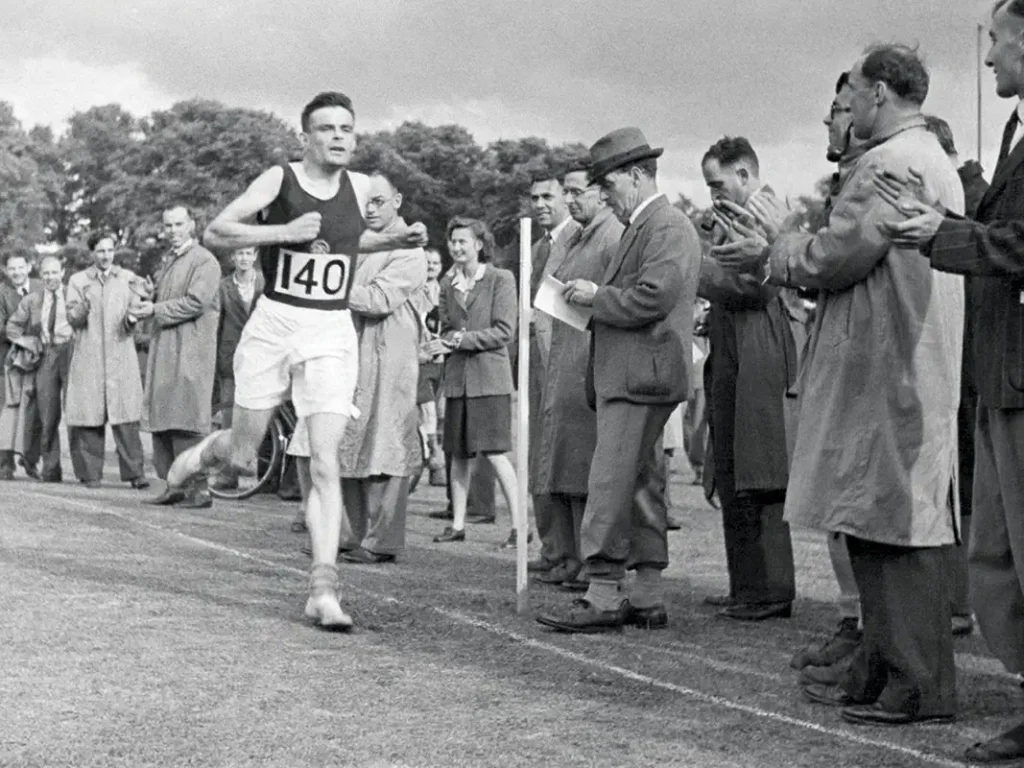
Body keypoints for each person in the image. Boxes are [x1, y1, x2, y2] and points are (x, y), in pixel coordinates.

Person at [712, 44, 963, 727]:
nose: (845, 107)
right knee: (875, 522)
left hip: (892, 367)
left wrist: (776, 247)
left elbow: (835, 255)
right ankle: (883, 668)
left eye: (851, 93)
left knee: (897, 527)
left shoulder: (890, 162)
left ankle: (916, 681)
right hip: (894, 363)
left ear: (879, 93)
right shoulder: (921, 158)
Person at [168, 92, 427, 632]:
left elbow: (348, 239)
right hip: (275, 322)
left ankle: (323, 587)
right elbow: (217, 231)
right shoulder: (278, 179)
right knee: (243, 457)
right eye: (327, 128)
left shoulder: (361, 188)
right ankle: (207, 452)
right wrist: (282, 232)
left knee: (325, 458)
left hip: (329, 328)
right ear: (306, 136)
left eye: (347, 129)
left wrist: (394, 237)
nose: (339, 137)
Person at [873, 2, 1024, 758]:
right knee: (997, 560)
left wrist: (943, 233)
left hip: (1018, 380)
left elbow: (1021, 244)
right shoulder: (1014, 131)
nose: (988, 57)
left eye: (996, 41)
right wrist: (946, 226)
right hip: (1000, 378)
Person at [537, 127, 700, 633]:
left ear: (635, 175)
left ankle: (604, 592)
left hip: (638, 376)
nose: (601, 195)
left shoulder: (665, 225)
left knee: (609, 483)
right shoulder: (648, 225)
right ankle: (647, 595)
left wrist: (594, 297)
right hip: (640, 373)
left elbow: (655, 295)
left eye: (606, 184)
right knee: (642, 484)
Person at [788, 71, 866, 682]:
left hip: (866, 368)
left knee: (855, 508)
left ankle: (868, 629)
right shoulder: (849, 178)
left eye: (839, 108)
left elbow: (832, 261)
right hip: (835, 356)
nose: (829, 122)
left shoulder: (878, 175)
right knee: (837, 510)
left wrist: (779, 243)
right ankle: (855, 621)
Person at [532, 161, 623, 590]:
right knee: (563, 461)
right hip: (563, 360)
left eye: (575, 191)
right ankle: (567, 555)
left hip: (589, 359)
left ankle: (593, 560)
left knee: (586, 463)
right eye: (564, 192)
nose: (569, 200)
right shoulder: (574, 237)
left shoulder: (613, 235)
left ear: (601, 192)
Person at [335, 173, 427, 563]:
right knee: (350, 441)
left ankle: (382, 540)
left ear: (397, 201)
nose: (370, 209)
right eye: (364, 203)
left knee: (386, 447)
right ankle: (350, 535)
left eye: (378, 201)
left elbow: (379, 299)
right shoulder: (359, 242)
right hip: (353, 354)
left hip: (390, 357)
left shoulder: (410, 248)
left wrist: (329, 288)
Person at [428, 217, 521, 547]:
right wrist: (446, 340)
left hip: (490, 381)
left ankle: (519, 528)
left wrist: (456, 341)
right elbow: (446, 327)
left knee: (495, 455)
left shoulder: (500, 279)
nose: (455, 247)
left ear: (479, 245)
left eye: (462, 241)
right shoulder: (446, 284)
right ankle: (457, 525)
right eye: (452, 241)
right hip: (458, 381)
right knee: (458, 455)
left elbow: (504, 331)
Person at [133, 205, 221, 509]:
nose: (172, 230)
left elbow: (196, 302)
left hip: (190, 352)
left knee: (186, 421)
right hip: (166, 350)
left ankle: (200, 490)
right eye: (168, 225)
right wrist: (151, 293)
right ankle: (174, 485)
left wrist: (154, 309)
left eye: (178, 224)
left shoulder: (204, 260)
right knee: (164, 420)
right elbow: (168, 298)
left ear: (192, 225)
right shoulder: (170, 260)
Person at [64, 233, 149, 489]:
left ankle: (136, 474)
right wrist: (84, 307)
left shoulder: (126, 278)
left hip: (120, 355)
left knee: (126, 417)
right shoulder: (78, 280)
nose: (106, 255)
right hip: (89, 356)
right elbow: (73, 318)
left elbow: (136, 308)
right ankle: (91, 474)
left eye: (110, 250)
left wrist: (133, 317)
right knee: (89, 416)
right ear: (92, 253)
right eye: (100, 251)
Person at [527, 171, 582, 571]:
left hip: (570, 363)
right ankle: (553, 548)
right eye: (534, 198)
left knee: (566, 458)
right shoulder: (534, 248)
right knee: (538, 457)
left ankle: (572, 551)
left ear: (566, 197)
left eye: (548, 196)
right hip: (538, 366)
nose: (540, 204)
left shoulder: (580, 238)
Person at [6, 256, 73, 483]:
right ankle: (51, 470)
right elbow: (12, 327)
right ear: (40, 275)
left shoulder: (74, 295)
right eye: (45, 273)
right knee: (48, 414)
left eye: (54, 272)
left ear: (63, 272)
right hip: (46, 355)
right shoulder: (33, 300)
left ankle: (87, 471)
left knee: (76, 412)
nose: (50, 277)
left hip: (73, 353)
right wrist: (28, 342)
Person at [214, 247, 264, 431]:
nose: (244, 258)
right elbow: (217, 324)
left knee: (255, 416)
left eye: (249, 253)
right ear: (233, 256)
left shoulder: (264, 283)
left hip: (259, 358)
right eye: (240, 253)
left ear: (255, 256)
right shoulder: (223, 286)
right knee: (229, 414)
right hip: (230, 358)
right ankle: (226, 458)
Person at [0, 252, 40, 480]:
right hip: (6, 359)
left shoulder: (40, 287)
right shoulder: (2, 292)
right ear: (6, 270)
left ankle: (31, 459)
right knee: (7, 411)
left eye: (20, 267)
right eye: (12, 268)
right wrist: (25, 337)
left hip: (36, 360)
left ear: (29, 266)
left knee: (34, 410)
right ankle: (5, 464)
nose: (16, 272)